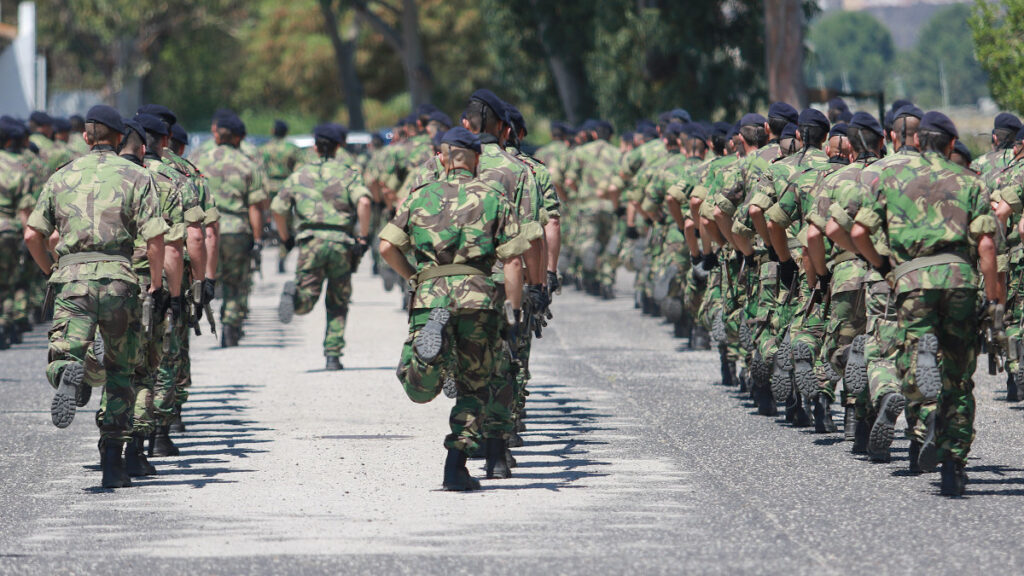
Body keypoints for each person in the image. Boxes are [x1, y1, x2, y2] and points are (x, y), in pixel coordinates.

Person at [852, 111, 1000, 496]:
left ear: (918, 142)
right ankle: (954, 465)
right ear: (952, 145)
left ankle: (923, 395)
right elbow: (986, 244)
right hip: (959, 282)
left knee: (910, 354)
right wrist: (994, 298)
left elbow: (855, 231)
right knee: (959, 376)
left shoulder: (892, 179)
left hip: (912, 281)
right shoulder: (971, 181)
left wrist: (885, 266)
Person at [23, 105, 168, 488]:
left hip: (72, 279)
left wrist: (51, 270)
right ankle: (113, 462)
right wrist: (154, 284)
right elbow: (155, 239)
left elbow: (32, 235)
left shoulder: (61, 176)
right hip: (121, 279)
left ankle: (69, 374)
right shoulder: (137, 177)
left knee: (64, 352)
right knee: (122, 372)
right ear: (120, 139)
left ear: (86, 137)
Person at [378, 127, 529, 491]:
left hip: (431, 296)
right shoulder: (494, 196)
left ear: (443, 158)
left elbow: (386, 246)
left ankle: (423, 362)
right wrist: (513, 310)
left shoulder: (419, 196)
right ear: (476, 159)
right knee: (475, 385)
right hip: (479, 299)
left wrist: (416, 277)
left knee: (421, 387)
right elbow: (513, 263)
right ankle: (455, 466)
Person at [274, 123, 372, 370]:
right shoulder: (349, 174)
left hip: (310, 242)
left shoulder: (299, 175)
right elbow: (364, 202)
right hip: (341, 243)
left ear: (315, 147)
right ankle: (333, 356)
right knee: (338, 301)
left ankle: (294, 298)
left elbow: (277, 208)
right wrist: (363, 236)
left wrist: (286, 238)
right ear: (338, 147)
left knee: (307, 301)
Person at [194, 113, 265, 347]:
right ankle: (231, 326)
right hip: (237, 228)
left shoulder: (199, 161)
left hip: (205, 228)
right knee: (237, 281)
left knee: (208, 278)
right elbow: (255, 206)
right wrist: (257, 238)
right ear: (237, 139)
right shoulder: (247, 164)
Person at [0, 119, 34, 349]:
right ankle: (4, 324)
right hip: (8, 231)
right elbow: (24, 210)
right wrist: (27, 236)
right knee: (8, 281)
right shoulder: (21, 168)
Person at [260, 120, 300, 273]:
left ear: (272, 131)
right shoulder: (292, 149)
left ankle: (266, 228)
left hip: (268, 188)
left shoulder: (264, 149)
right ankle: (283, 253)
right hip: (286, 187)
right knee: (286, 222)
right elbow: (298, 169)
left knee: (265, 218)